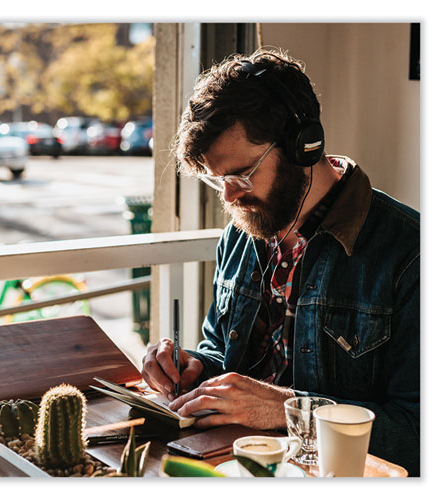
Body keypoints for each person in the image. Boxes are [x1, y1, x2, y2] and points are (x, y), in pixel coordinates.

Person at [141, 49, 420, 476]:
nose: (230, 197)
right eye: (218, 180)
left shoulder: (412, 252)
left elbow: (419, 431)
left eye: (241, 175)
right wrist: (194, 367)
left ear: (303, 147)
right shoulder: (243, 231)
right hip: (236, 465)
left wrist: (289, 409)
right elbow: (223, 352)